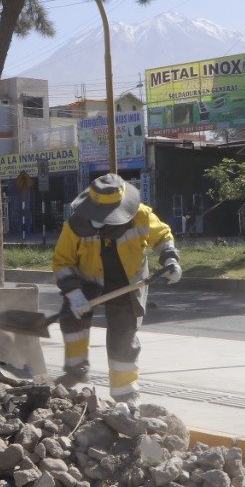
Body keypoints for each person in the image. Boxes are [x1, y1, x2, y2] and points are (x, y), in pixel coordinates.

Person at [52, 173, 181, 405]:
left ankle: (125, 392)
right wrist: (73, 292)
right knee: (72, 320)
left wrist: (170, 259)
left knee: (123, 333)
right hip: (87, 280)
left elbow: (162, 236)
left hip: (127, 283)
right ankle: (76, 368)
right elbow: (62, 262)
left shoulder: (141, 215)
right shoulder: (75, 226)